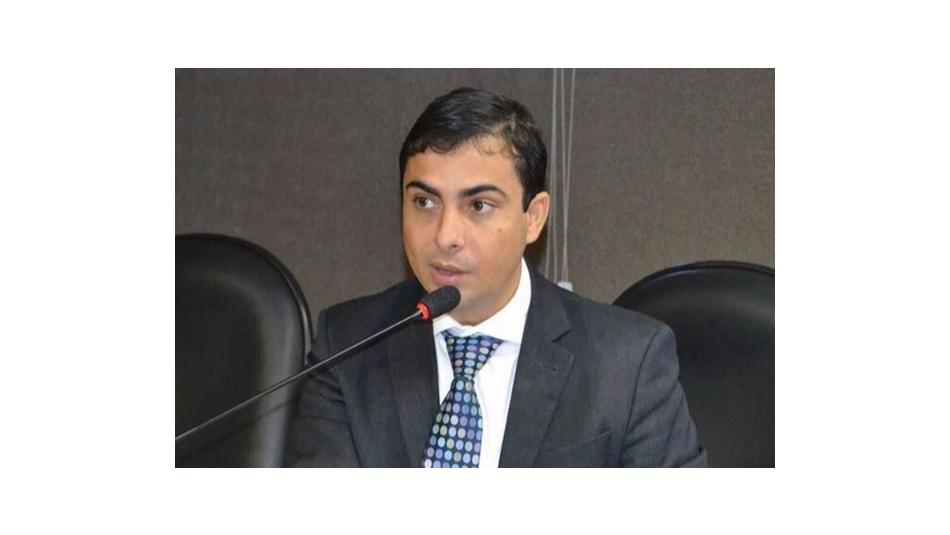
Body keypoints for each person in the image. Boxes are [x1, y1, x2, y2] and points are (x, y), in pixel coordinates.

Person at [284, 87, 705, 467]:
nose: (445, 236)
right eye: (425, 202)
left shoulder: (628, 364)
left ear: (533, 217)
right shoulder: (348, 345)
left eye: (479, 206)